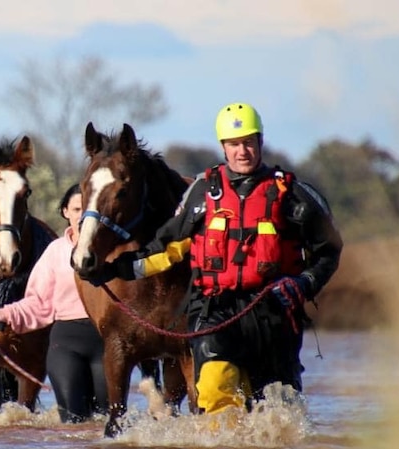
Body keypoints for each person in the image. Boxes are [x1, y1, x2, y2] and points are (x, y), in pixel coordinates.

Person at [88, 102, 343, 415]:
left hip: (274, 312)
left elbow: (329, 250)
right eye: (234, 144)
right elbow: (166, 249)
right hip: (216, 311)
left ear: (260, 142)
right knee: (214, 399)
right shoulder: (202, 192)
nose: (242, 151)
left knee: (279, 411)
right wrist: (116, 270)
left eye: (248, 143)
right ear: (224, 147)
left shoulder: (293, 195)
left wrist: (304, 283)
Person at [0, 184, 108, 423]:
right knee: (73, 423)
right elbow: (38, 304)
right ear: (66, 211)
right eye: (76, 209)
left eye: (87, 209)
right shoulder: (55, 252)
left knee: (108, 421)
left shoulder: (112, 251)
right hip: (66, 343)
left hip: (107, 342)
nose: (81, 215)